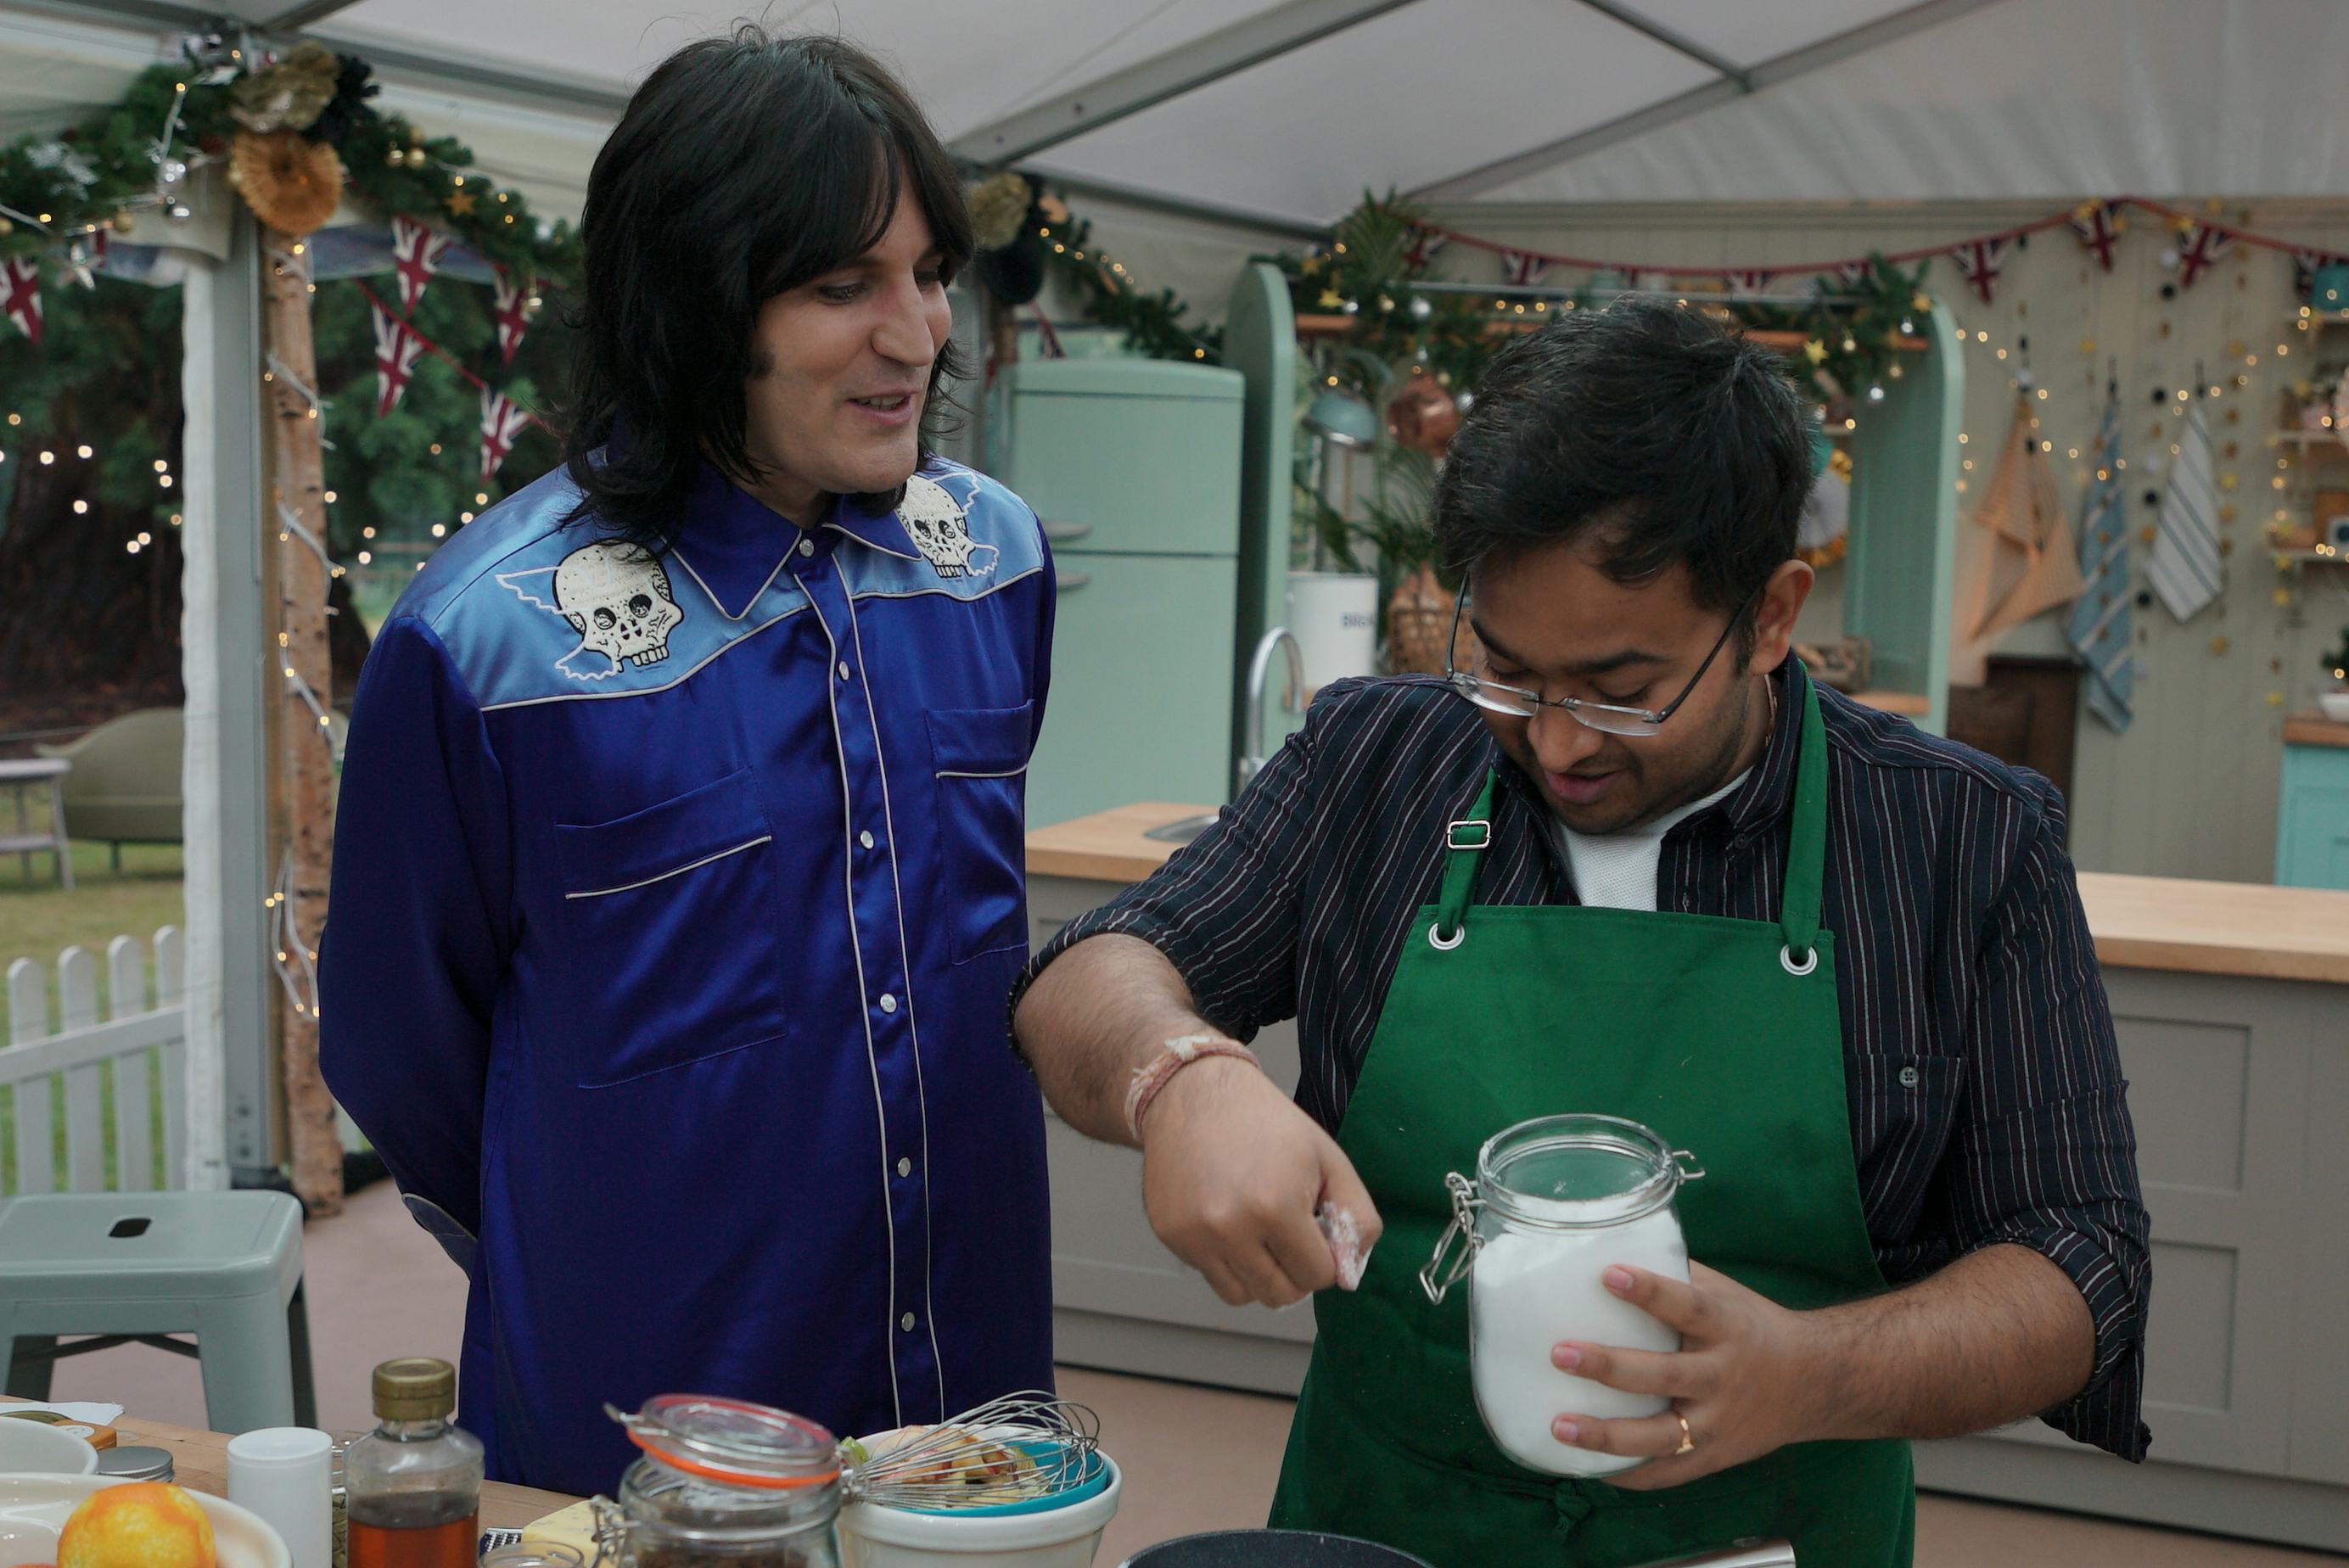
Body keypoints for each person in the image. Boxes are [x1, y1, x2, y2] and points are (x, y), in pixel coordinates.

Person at [1010, 300, 2150, 1567]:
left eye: (1623, 694)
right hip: (1389, 1529)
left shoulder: (1962, 840)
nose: (1553, 744)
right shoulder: (1375, 763)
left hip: (1774, 1533)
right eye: (1504, 670)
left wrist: (1814, 1371)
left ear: (1772, 617)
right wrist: (1181, 1078)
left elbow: (2081, 1261)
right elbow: (1089, 972)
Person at [320, 29, 1057, 1493]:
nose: (913, 336)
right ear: (695, 303)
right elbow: (404, 1043)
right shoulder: (489, 643)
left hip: (967, 1371)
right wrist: (597, 1205)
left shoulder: (993, 562)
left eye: (927, 274)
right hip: (650, 1393)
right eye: (843, 285)